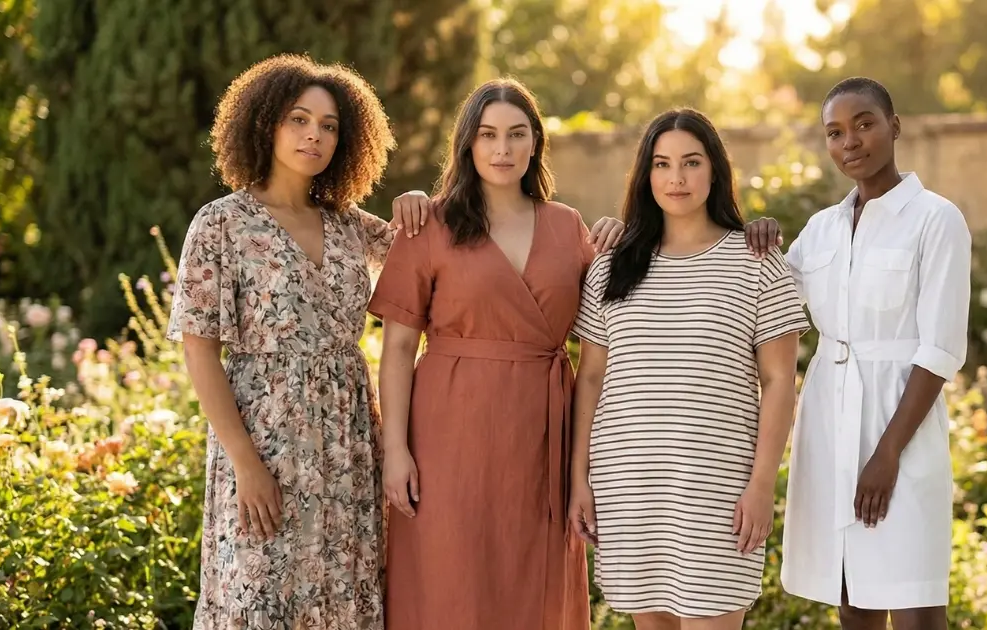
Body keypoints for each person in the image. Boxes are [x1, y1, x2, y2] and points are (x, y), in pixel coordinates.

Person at [371, 80, 785, 630]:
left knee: (532, 580)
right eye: (488, 135)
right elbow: (397, 349)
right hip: (448, 433)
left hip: (543, 439)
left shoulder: (571, 229)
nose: (502, 149)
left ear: (536, 143)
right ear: (466, 143)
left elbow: (616, 327)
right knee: (450, 578)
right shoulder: (429, 224)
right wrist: (395, 450)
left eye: (517, 134)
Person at [167, 54, 402, 628]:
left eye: (328, 126)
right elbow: (199, 349)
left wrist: (421, 203)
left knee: (342, 592)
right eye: (299, 119)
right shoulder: (221, 223)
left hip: (347, 444)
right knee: (259, 591)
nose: (314, 136)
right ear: (266, 123)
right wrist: (246, 464)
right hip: (263, 439)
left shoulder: (352, 225)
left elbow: (439, 255)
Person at [566, 108, 809, 630]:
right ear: (645, 174)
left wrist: (763, 483)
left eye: (691, 163)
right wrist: (579, 478)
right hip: (627, 485)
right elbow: (589, 379)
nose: (676, 178)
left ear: (715, 171)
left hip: (717, 488)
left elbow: (780, 382)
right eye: (662, 164)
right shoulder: (611, 266)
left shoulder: (756, 261)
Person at [778, 77, 972, 630]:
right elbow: (764, 301)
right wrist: (757, 236)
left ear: (895, 126)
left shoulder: (936, 219)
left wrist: (887, 455)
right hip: (829, 427)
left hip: (901, 431)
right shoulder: (819, 231)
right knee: (853, 599)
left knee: (914, 599)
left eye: (864, 123)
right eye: (835, 132)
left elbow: (939, 350)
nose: (851, 142)